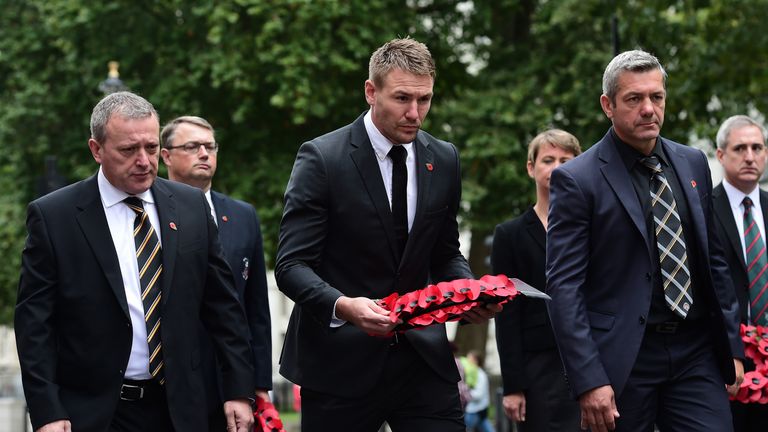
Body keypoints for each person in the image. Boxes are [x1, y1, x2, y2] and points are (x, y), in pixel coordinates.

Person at [275, 37, 500, 432]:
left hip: (423, 359)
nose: (415, 113)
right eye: (401, 99)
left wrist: (468, 292)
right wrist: (345, 306)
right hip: (338, 363)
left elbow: (445, 252)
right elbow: (291, 266)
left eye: (425, 99)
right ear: (370, 91)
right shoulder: (322, 158)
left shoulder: (444, 158)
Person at [15, 92, 256, 432]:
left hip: (182, 410)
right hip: (96, 413)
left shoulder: (191, 207)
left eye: (152, 148)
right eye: (128, 150)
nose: (144, 161)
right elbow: (34, 324)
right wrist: (47, 411)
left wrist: (239, 390)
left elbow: (223, 308)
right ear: (96, 150)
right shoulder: (55, 217)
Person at [546, 50, 744, 431]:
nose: (649, 109)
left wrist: (732, 347)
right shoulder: (577, 179)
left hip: (695, 351)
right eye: (634, 99)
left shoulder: (693, 163)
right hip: (624, 359)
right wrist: (589, 379)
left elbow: (713, 259)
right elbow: (564, 286)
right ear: (608, 105)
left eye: (657, 97)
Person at [160, 115, 272, 431]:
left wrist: (259, 385)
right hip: (170, 379)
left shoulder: (242, 215)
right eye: (193, 146)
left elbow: (256, 310)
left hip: (229, 380)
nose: (205, 154)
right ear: (165, 155)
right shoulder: (148, 214)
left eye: (210, 146)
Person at [492, 129, 581, 431]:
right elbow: (507, 315)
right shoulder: (509, 235)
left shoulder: (594, 227)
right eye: (548, 160)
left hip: (589, 361)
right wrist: (513, 385)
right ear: (531, 167)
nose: (557, 167)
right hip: (537, 368)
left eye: (566, 160)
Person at [711, 115, 768, 432]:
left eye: (757, 147)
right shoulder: (704, 210)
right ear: (721, 155)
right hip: (727, 362)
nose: (750, 156)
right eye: (740, 148)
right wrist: (727, 353)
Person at [462, 351, 494, 432]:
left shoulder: (480, 375)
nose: (467, 361)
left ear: (476, 361)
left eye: (469, 358)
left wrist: (464, 394)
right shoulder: (472, 373)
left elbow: (478, 395)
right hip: (475, 409)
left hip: (475, 410)